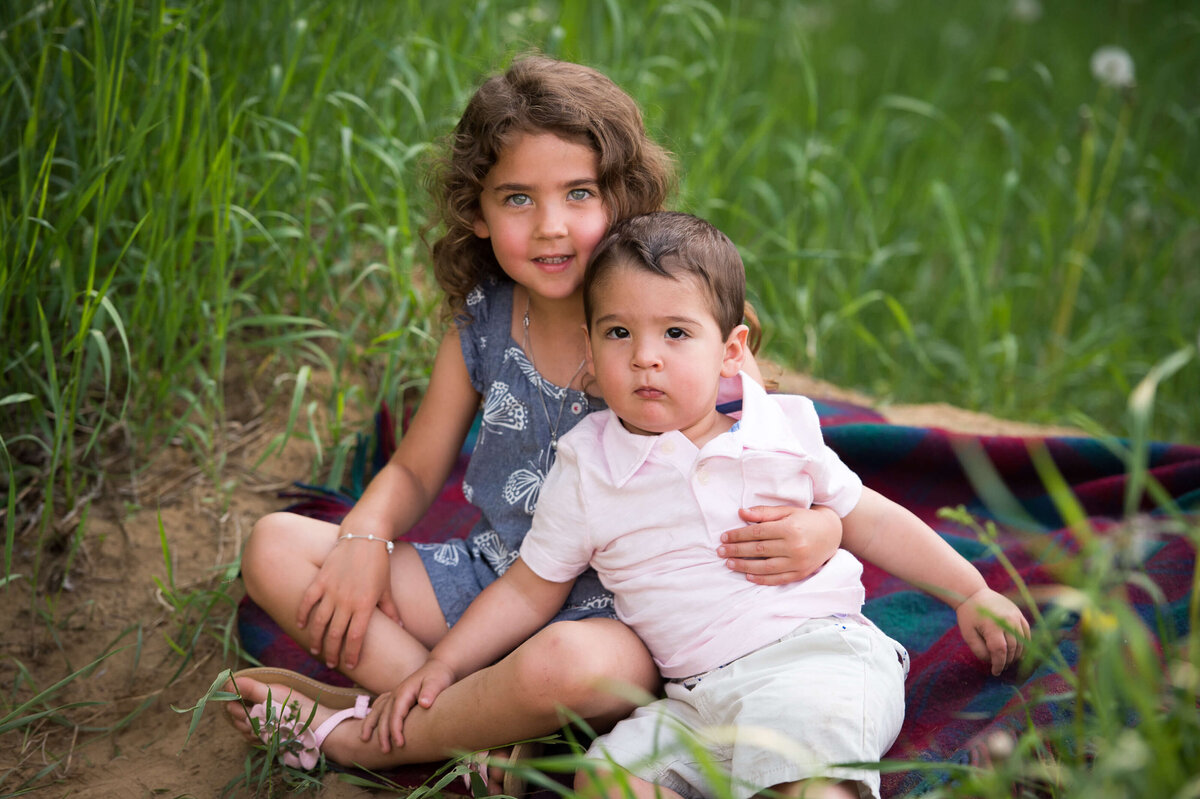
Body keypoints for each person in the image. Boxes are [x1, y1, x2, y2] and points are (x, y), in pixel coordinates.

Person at [223, 56, 843, 782]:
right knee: (275, 547)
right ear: (476, 213)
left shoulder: (658, 328)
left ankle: (368, 725)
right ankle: (468, 724)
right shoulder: (482, 321)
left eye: (578, 193)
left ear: (623, 198)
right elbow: (418, 467)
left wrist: (821, 527)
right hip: (496, 580)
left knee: (573, 665)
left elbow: (778, 455)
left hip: (628, 614)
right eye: (517, 198)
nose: (551, 227)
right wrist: (363, 536)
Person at [360, 212, 1030, 799]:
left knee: (811, 775)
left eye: (675, 334)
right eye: (619, 333)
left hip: (814, 658)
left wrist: (969, 591)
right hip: (690, 699)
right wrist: (447, 664)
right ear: (590, 355)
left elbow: (869, 516)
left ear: (730, 352)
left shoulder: (778, 429)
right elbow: (529, 589)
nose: (646, 357)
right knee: (604, 777)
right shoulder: (587, 465)